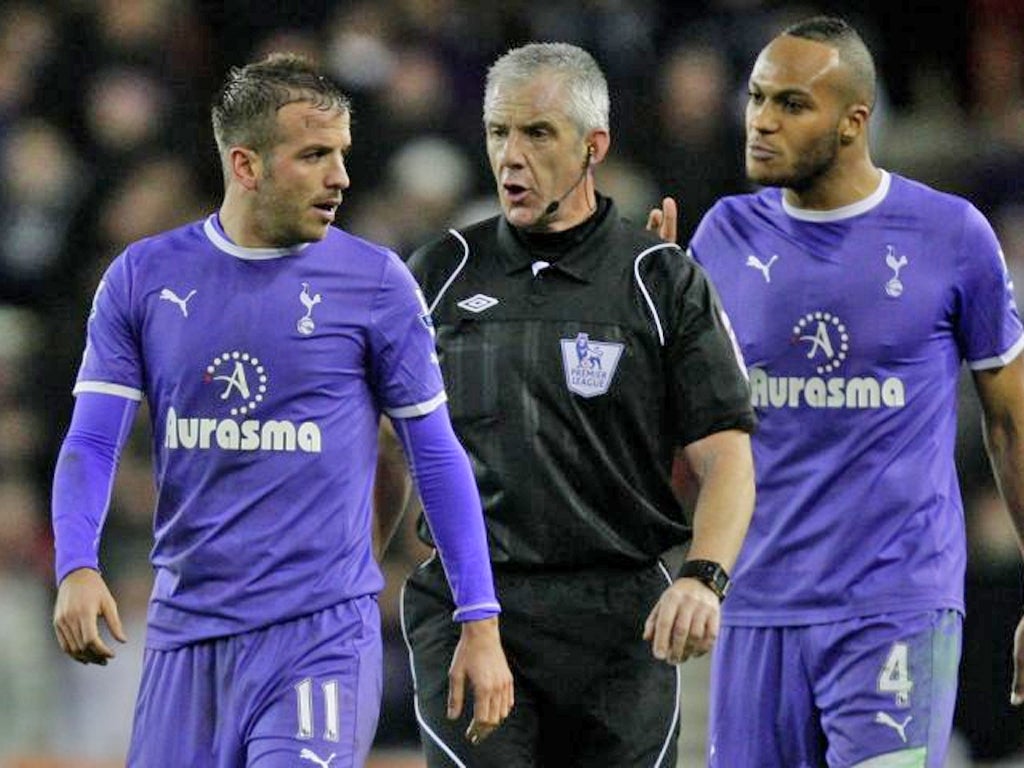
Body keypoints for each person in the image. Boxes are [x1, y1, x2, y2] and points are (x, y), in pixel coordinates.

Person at [50, 53, 513, 768]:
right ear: (246, 165)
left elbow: (435, 452)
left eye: (343, 155)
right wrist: (77, 564)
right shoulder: (143, 279)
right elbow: (92, 443)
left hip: (318, 638)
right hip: (186, 637)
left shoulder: (375, 285)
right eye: (315, 155)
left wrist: (479, 620)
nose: (341, 178)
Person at [389, 42, 757, 767]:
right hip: (472, 607)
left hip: (622, 621)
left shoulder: (659, 280)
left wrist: (703, 577)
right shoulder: (436, 273)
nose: (510, 156)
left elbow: (728, 458)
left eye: (537, 133)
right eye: (499, 132)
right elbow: (375, 443)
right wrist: (358, 572)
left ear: (594, 146)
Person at [678, 15, 1024, 767]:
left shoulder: (952, 236)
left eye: (793, 104)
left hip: (894, 603)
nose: (762, 121)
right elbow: (681, 429)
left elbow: (1011, 427)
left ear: (853, 122)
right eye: (757, 98)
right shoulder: (722, 236)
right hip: (758, 605)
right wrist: (639, 307)